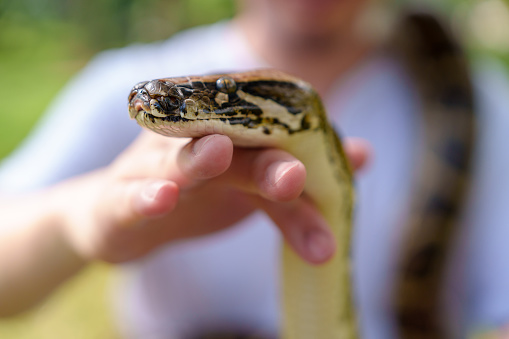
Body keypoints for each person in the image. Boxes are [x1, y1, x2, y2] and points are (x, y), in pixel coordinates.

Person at [1, 0, 509, 338]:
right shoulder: (117, 82)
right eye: (219, 95)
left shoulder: (486, 107)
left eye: (222, 98)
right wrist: (76, 223)